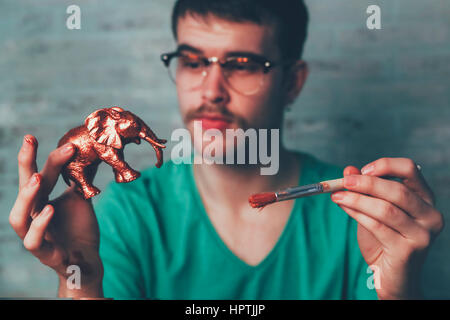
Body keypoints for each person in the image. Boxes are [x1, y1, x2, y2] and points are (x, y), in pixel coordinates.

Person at [9, 0, 444, 300]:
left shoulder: (361, 214)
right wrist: (80, 281)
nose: (211, 90)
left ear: (292, 82)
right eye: (194, 61)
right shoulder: (125, 214)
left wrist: (397, 291)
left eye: (241, 64)